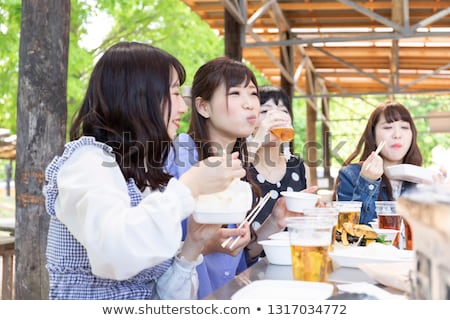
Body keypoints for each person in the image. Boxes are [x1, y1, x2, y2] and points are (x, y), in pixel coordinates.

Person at [43, 42, 246, 300]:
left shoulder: (141, 171)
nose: (183, 109)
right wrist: (189, 188)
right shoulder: (87, 163)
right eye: (174, 93)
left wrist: (193, 244)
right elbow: (115, 254)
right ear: (139, 96)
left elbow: (161, 297)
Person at [166, 56, 260, 299]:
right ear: (203, 107)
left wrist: (276, 221)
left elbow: (237, 262)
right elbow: (152, 251)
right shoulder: (178, 155)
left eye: (253, 94)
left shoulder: (237, 164)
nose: (249, 104)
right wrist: (206, 246)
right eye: (235, 94)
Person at [244, 85, 316, 260]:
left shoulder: (299, 167)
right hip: (248, 268)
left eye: (283, 111)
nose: (276, 117)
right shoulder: (239, 165)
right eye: (266, 111)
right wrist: (259, 137)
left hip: (293, 262)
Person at [333, 100, 423, 225]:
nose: (397, 135)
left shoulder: (420, 180)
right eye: (388, 127)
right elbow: (351, 231)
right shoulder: (351, 175)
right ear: (373, 134)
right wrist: (367, 182)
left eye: (404, 127)